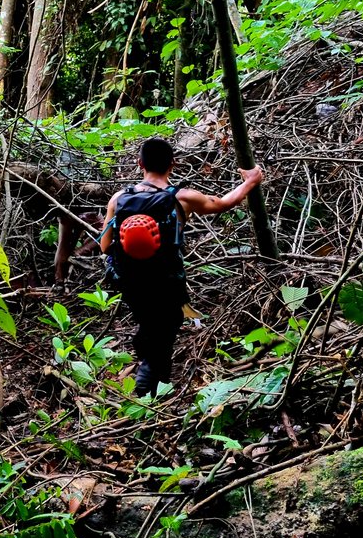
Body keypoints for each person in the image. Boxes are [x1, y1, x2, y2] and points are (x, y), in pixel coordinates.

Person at [98, 137, 264, 397]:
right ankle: (147, 391)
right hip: (165, 280)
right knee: (164, 330)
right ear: (172, 165)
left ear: (140, 163)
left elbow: (105, 246)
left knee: (151, 324)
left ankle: (151, 375)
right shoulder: (181, 198)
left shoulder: (119, 199)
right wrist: (251, 181)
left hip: (129, 279)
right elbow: (223, 203)